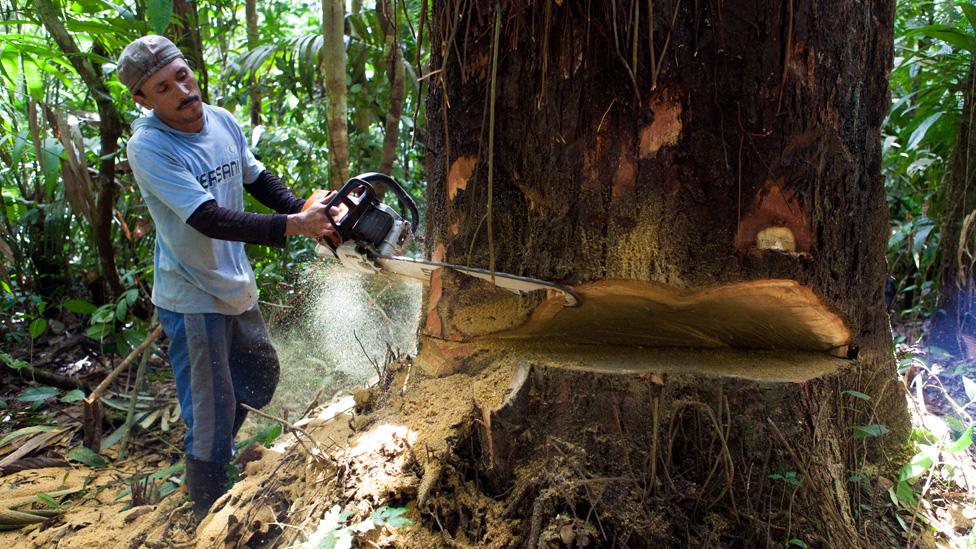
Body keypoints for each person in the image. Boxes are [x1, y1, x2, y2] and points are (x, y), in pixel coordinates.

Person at [117, 35, 338, 522]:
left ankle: (212, 446)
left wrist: (308, 213)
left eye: (183, 75)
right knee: (213, 411)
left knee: (260, 375)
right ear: (143, 99)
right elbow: (208, 218)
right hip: (193, 294)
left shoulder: (220, 120)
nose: (182, 90)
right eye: (164, 86)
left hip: (233, 282)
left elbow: (257, 179)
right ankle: (206, 509)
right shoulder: (149, 147)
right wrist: (292, 226)